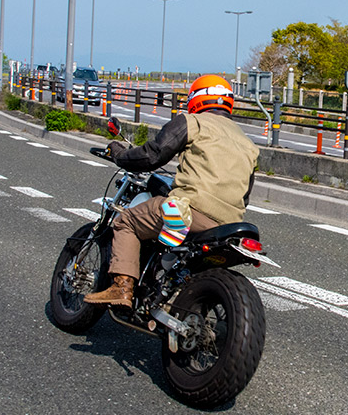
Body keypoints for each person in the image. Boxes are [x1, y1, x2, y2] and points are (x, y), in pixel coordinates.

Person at [84, 74, 260, 308]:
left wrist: (119, 155)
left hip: (191, 210)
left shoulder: (191, 122)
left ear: (196, 99)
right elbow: (245, 196)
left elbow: (152, 155)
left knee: (126, 222)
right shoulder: (249, 144)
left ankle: (122, 288)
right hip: (228, 225)